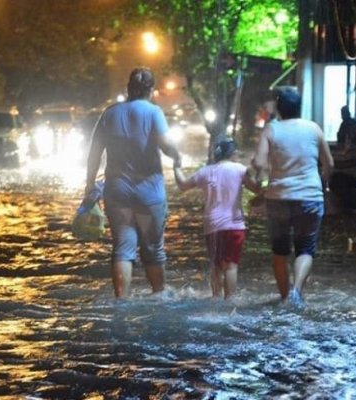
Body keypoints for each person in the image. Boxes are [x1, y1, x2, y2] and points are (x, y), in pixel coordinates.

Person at [85, 67, 182, 298]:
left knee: (123, 247)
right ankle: (159, 296)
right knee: (153, 249)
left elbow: (94, 154)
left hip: (117, 192)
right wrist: (177, 156)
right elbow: (166, 145)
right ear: (151, 89)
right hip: (149, 192)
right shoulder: (153, 112)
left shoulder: (109, 114)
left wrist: (89, 185)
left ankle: (121, 301)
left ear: (129, 87)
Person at [251, 87, 334, 309]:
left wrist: (259, 182)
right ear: (300, 107)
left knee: (280, 251)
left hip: (278, 197)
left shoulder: (271, 129)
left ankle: (284, 297)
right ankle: (297, 292)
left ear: (279, 108)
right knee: (305, 249)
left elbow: (258, 163)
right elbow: (329, 164)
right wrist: (324, 186)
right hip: (309, 196)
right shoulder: (313, 129)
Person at [173, 136, 261, 299]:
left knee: (216, 265)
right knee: (231, 266)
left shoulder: (205, 172)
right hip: (234, 225)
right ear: (233, 153)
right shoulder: (240, 169)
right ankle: (229, 300)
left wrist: (176, 166)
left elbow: (183, 185)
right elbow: (256, 188)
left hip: (212, 225)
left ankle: (216, 297)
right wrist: (259, 170)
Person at [330, 105, 356, 210]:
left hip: (350, 157)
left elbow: (349, 141)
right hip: (349, 157)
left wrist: (345, 152)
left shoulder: (350, 124)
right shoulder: (348, 123)